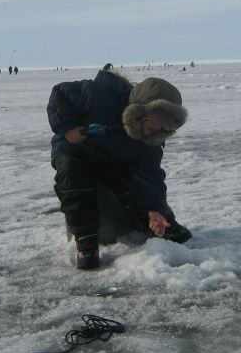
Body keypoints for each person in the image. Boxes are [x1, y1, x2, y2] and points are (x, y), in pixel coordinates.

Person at [47, 67, 192, 269]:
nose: (155, 130)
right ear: (139, 111)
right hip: (78, 153)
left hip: (113, 164)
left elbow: (149, 177)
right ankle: (86, 240)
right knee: (73, 178)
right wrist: (68, 127)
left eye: (164, 127)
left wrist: (155, 210)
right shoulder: (99, 95)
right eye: (154, 121)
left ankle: (157, 221)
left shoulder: (149, 141)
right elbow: (60, 93)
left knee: (134, 190)